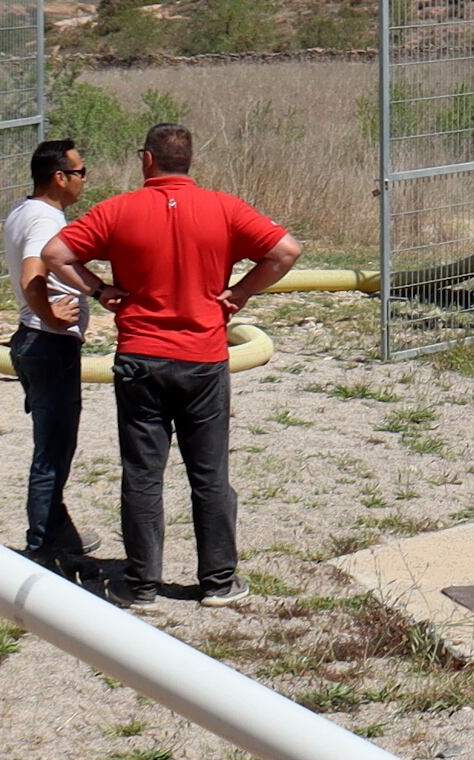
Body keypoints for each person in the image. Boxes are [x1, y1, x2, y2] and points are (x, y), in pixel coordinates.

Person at [36, 120, 303, 600]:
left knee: (142, 474)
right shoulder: (223, 207)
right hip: (203, 359)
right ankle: (218, 581)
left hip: (140, 357)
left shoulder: (118, 210)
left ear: (147, 160)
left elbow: (55, 253)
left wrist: (99, 290)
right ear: (190, 162)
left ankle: (140, 584)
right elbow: (286, 251)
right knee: (210, 475)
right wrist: (240, 293)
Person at [1, 138, 98, 579]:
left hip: (32, 342)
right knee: (53, 454)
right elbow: (31, 273)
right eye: (80, 172)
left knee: (53, 446)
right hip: (47, 344)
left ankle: (60, 532)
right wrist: (51, 315)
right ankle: (41, 550)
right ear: (59, 177)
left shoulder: (24, 210)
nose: (84, 180)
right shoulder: (44, 218)